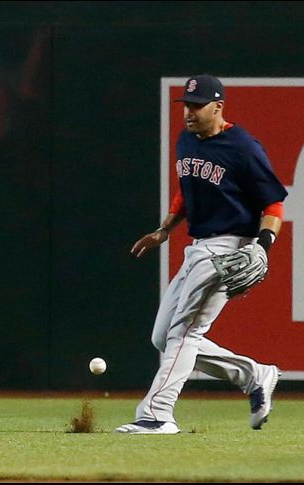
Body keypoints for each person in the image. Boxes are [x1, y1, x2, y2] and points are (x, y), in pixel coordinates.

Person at [116, 74, 288, 434]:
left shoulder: (243, 148)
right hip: (198, 247)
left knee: (184, 332)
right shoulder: (187, 140)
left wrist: (263, 246)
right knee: (164, 336)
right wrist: (165, 229)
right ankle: (255, 375)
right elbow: (187, 189)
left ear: (218, 106)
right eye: (186, 105)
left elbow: (272, 204)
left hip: (229, 247)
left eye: (197, 106)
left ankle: (158, 414)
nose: (189, 113)